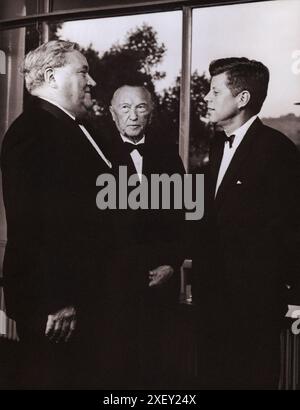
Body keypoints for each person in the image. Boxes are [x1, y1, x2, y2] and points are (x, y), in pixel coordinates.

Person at [0, 40, 113, 389]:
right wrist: (58, 300)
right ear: (51, 77)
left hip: (81, 299)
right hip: (56, 304)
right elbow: (33, 226)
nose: (91, 81)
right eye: (82, 71)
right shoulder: (32, 133)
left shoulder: (71, 128)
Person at [191, 57, 300, 389]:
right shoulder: (214, 145)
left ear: (242, 99)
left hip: (253, 305)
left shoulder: (277, 151)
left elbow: (293, 226)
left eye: (214, 91)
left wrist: (296, 295)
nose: (206, 98)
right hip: (212, 302)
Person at [102, 82, 186, 388]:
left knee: (158, 366)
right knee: (114, 366)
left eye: (140, 107)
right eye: (125, 107)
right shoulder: (96, 153)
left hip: (159, 282)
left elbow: (184, 219)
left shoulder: (168, 156)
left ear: (150, 113)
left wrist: (172, 264)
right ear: (113, 114)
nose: (133, 115)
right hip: (109, 285)